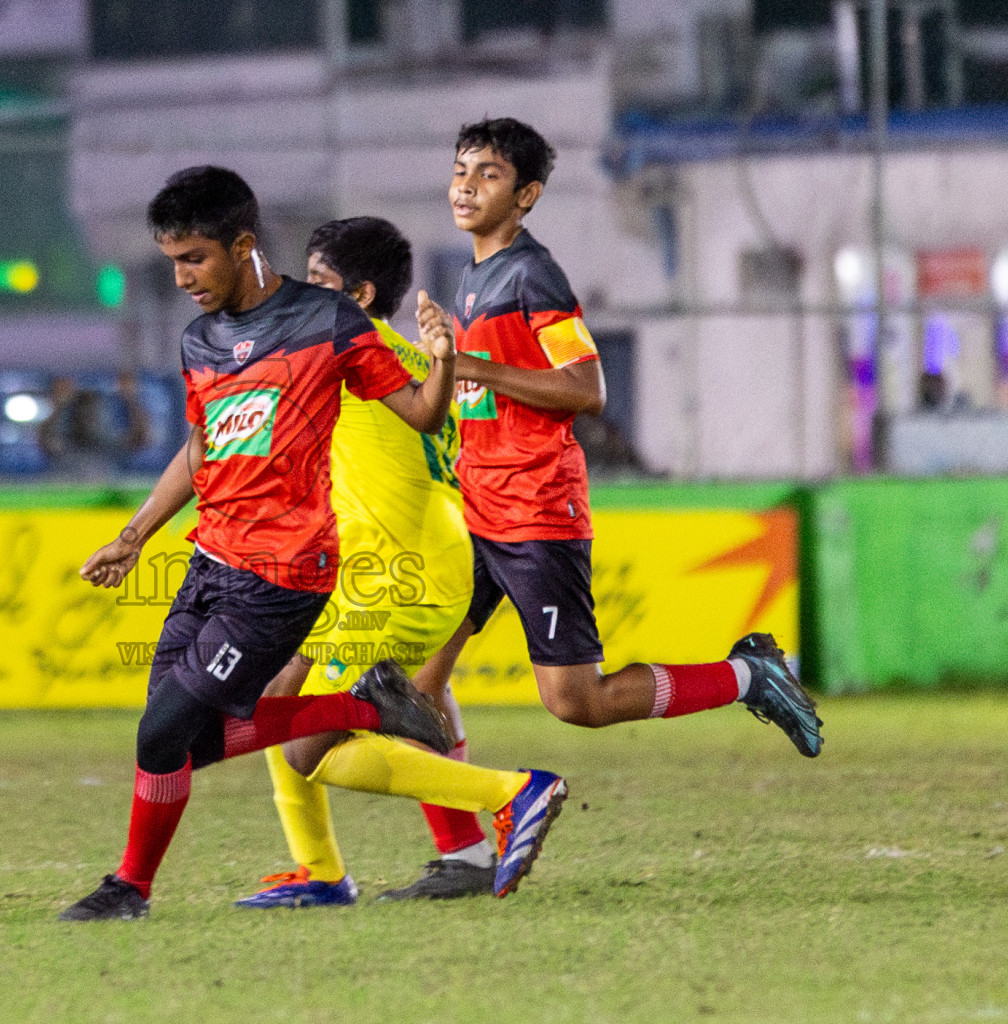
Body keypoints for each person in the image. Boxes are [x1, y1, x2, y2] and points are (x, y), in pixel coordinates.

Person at [60, 166, 513, 922]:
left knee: (165, 730)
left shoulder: (327, 323)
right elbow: (203, 447)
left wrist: (438, 360)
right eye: (170, 261)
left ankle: (130, 889)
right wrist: (135, 534)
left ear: (243, 246)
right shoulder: (200, 340)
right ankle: (367, 712)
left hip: (287, 572)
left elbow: (422, 418)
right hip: (211, 561)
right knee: (177, 742)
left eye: (194, 259)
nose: (180, 278)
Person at [381, 117, 822, 893]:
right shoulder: (475, 276)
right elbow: (482, 392)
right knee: (414, 679)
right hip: (477, 507)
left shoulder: (531, 275)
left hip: (533, 512)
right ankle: (464, 858)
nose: (464, 184)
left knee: (575, 703)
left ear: (526, 197)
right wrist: (445, 365)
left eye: (487, 174)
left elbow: (586, 388)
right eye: (459, 168)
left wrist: (473, 360)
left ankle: (750, 677)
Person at [236, 216, 562, 908]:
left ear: (357, 292)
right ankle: (321, 871)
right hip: (406, 563)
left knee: (305, 744)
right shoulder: (408, 360)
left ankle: (511, 792)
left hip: (394, 577)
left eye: (318, 281)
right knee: (275, 696)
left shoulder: (339, 350)